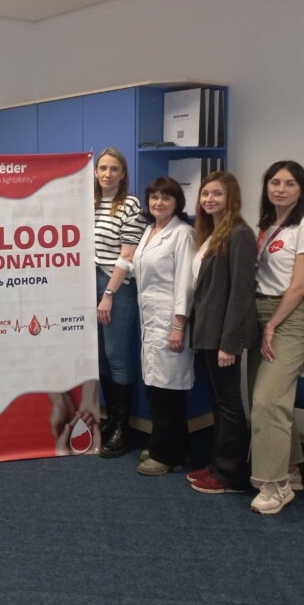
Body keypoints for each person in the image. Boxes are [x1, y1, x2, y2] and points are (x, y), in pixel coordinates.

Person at [245, 161, 304, 515]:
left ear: (301, 190)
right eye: (275, 182)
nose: (281, 189)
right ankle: (290, 468)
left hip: (289, 316)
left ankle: (275, 486)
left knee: (267, 400)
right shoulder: (266, 224)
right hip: (260, 311)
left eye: (290, 183)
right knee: (264, 396)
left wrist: (273, 324)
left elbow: (300, 285)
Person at [188, 171, 257, 494]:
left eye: (216, 193)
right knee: (218, 401)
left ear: (231, 197)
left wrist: (229, 343)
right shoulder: (211, 233)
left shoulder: (240, 234)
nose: (209, 199)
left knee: (229, 404)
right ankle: (219, 464)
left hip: (222, 336)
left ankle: (232, 474)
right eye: (205, 194)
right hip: (206, 331)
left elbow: (241, 293)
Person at [132, 177, 195, 475]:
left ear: (177, 202)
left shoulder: (183, 234)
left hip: (170, 321)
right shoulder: (149, 230)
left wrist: (178, 325)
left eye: (166, 198)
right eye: (154, 197)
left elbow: (185, 282)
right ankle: (172, 446)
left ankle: (165, 454)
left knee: (167, 390)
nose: (159, 202)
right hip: (150, 320)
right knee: (157, 387)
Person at [92, 148, 146, 457]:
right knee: (99, 357)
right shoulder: (89, 203)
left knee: (116, 357)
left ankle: (123, 429)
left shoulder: (130, 205)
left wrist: (108, 295)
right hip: (88, 284)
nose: (108, 174)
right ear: (95, 172)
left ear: (123, 174)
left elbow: (127, 255)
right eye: (103, 168)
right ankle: (111, 420)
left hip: (115, 286)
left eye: (114, 169)